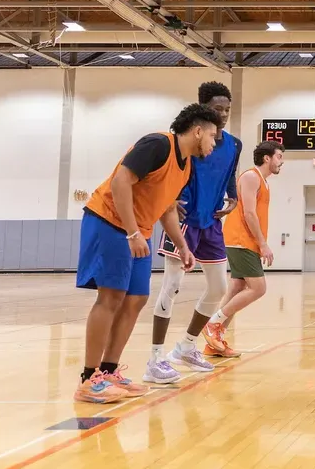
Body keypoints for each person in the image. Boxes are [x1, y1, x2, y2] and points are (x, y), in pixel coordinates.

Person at [74, 103, 220, 403]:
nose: (214, 143)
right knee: (111, 296)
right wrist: (132, 232)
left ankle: (109, 370)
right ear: (197, 131)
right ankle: (89, 380)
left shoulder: (186, 166)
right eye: (213, 136)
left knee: (137, 298)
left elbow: (167, 208)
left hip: (138, 231)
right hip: (110, 222)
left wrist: (182, 245)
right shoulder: (157, 144)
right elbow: (120, 181)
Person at [146, 82, 244, 382]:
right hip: (185, 218)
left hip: (212, 222)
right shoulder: (188, 140)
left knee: (218, 289)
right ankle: (155, 358)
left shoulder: (234, 144)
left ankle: (186, 347)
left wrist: (233, 197)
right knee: (172, 285)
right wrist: (169, 197)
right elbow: (171, 170)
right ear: (204, 110)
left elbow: (229, 175)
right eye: (218, 109)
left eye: (227, 109)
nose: (224, 115)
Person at [201, 140, 284, 355]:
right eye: (279, 157)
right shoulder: (250, 177)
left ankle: (215, 343)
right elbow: (248, 213)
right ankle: (213, 324)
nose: (281, 162)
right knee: (258, 288)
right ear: (267, 158)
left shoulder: (263, 181)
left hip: (246, 242)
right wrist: (263, 244)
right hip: (240, 240)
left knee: (237, 288)